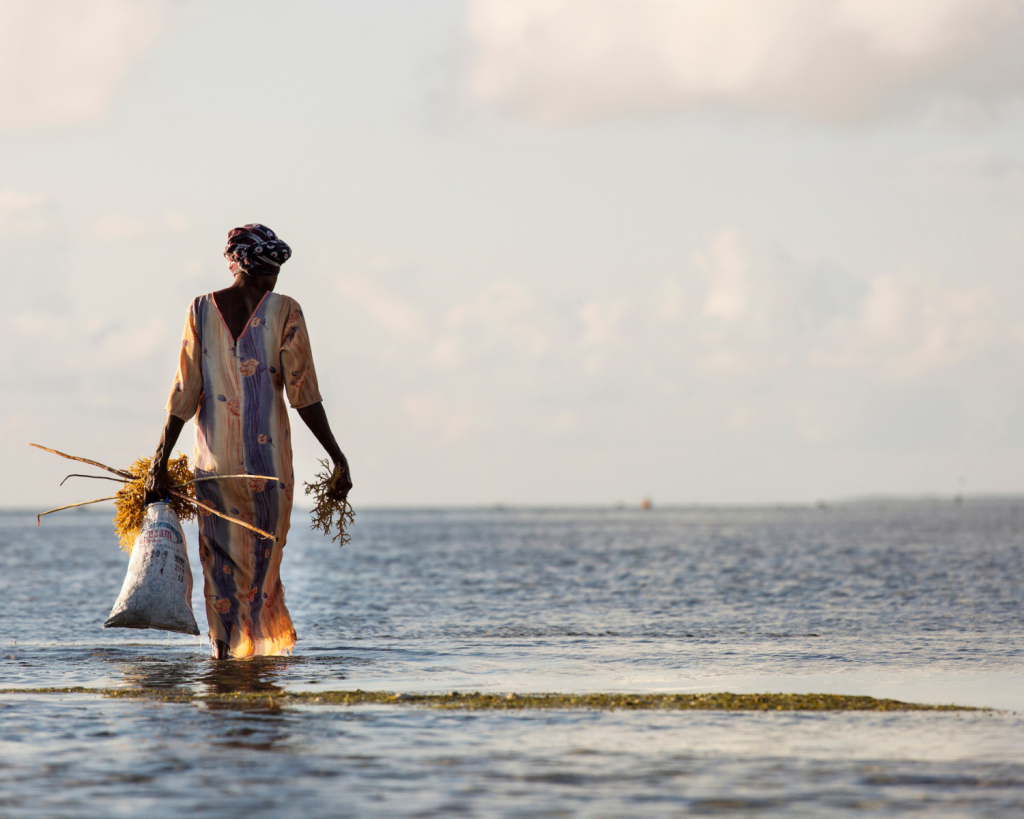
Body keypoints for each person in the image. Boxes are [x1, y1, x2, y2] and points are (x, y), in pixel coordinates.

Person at [144, 224, 351, 659]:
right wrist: (337, 457)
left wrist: (159, 462)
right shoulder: (285, 311)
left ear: (234, 263)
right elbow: (304, 394)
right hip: (268, 469)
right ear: (266, 271)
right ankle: (256, 665)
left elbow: (184, 393)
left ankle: (224, 659)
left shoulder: (200, 309)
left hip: (214, 471)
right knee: (261, 574)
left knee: (220, 574)